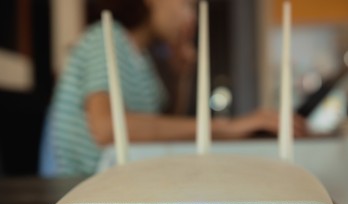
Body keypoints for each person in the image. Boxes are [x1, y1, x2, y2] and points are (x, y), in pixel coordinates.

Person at [42, 0, 306, 177]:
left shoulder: (143, 58)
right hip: (78, 184)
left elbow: (159, 130)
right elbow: (107, 128)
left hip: (118, 177)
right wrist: (227, 127)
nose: (189, 15)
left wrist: (183, 75)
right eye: (184, 2)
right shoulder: (104, 36)